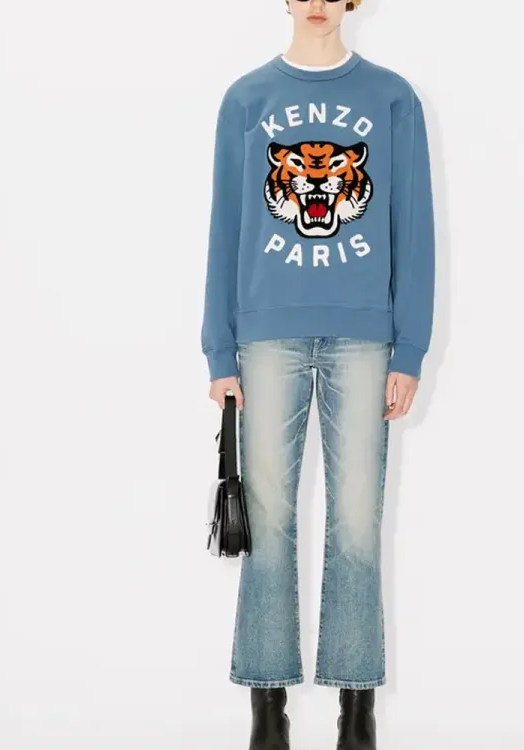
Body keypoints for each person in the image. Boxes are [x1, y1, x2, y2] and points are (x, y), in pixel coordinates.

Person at [200, 1, 436, 747]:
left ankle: (356, 710)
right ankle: (266, 710)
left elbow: (413, 228)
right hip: (265, 335)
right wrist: (219, 350)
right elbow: (225, 227)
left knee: (358, 524)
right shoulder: (247, 97)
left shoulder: (392, 97)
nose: (318, 1)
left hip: (365, 338)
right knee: (267, 525)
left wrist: (409, 348)